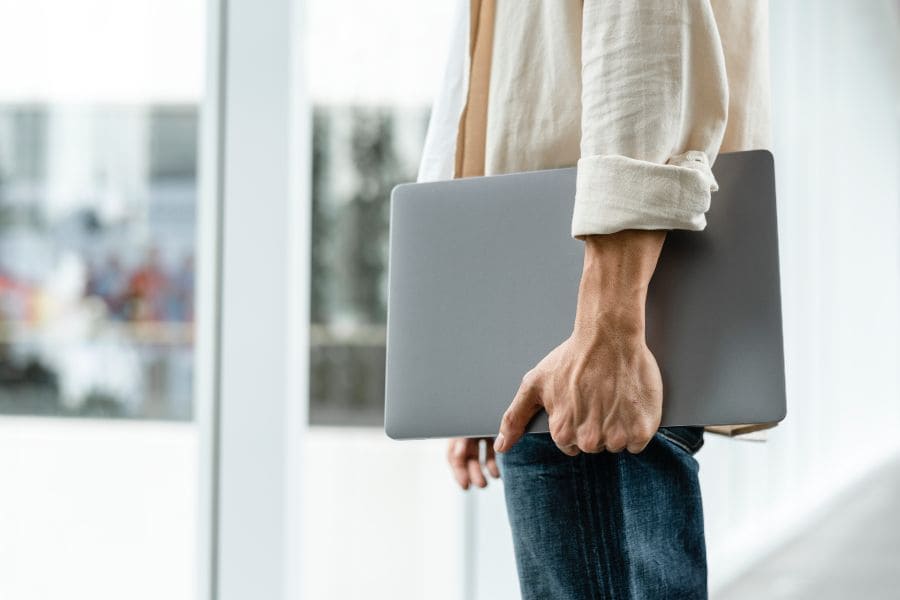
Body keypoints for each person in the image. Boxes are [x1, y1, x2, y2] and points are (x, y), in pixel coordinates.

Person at [418, 1, 774, 598]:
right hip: (557, 326)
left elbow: (645, 43)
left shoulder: (601, 329)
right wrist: (476, 361)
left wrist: (609, 322)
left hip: (590, 325)